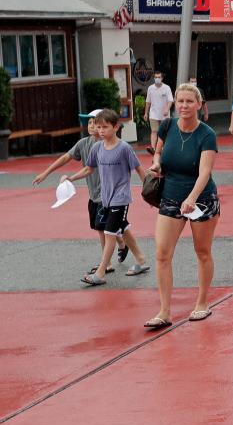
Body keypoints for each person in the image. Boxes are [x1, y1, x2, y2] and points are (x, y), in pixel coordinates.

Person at [144, 84, 219, 328]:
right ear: (175, 102)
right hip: (170, 196)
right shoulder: (167, 126)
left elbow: (205, 172)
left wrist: (192, 198)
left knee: (202, 251)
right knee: (162, 254)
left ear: (199, 104)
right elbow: (158, 153)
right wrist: (156, 165)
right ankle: (164, 311)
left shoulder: (206, 134)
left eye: (189, 101)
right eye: (181, 101)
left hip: (202, 199)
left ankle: (202, 302)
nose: (184, 106)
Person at [61, 109, 151, 286]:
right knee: (122, 228)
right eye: (98, 127)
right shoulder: (97, 148)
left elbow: (139, 169)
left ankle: (101, 272)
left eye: (105, 127)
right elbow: (89, 169)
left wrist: (148, 192)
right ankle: (141, 260)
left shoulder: (124, 148)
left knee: (110, 233)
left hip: (121, 198)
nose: (101, 130)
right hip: (106, 198)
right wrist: (70, 178)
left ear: (116, 127)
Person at [34, 110, 127, 273]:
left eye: (95, 123)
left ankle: (107, 264)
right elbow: (65, 158)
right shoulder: (83, 144)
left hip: (109, 195)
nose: (91, 126)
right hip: (94, 195)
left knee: (102, 228)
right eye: (89, 123)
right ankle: (122, 245)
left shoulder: (111, 145)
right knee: (113, 227)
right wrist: (46, 173)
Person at [145, 71, 173, 155]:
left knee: (164, 131)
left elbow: (170, 100)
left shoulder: (166, 88)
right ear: (154, 78)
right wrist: (146, 113)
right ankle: (153, 148)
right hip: (153, 113)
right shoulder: (150, 88)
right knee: (154, 131)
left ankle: (164, 147)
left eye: (159, 77)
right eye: (156, 77)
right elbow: (148, 101)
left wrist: (167, 109)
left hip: (164, 114)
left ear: (162, 78)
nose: (157, 79)